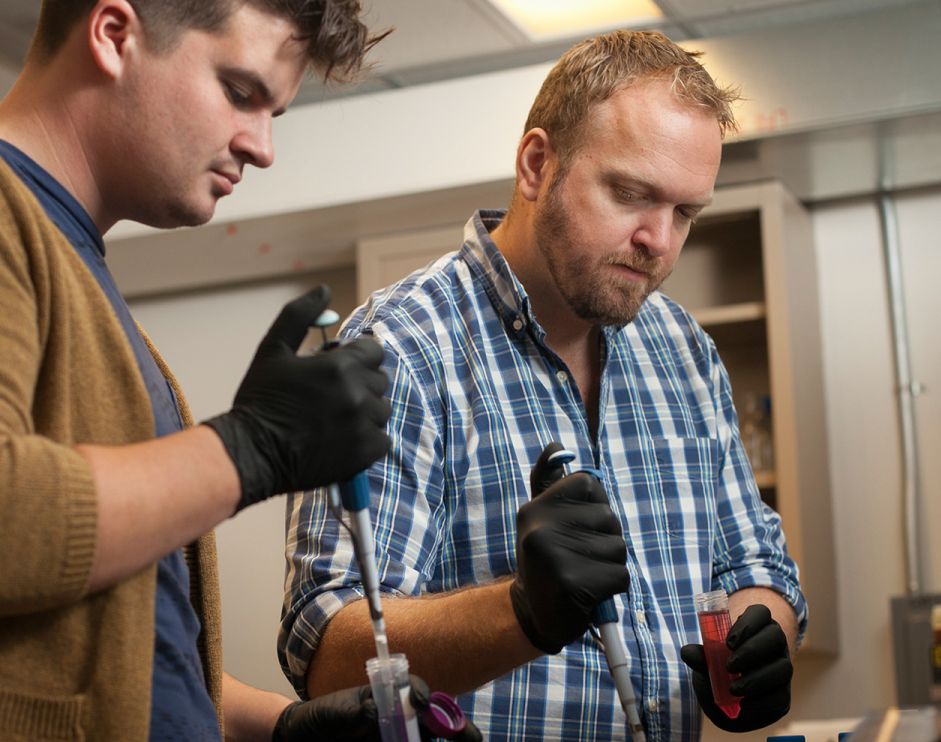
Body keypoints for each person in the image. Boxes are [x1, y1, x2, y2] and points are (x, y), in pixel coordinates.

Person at [0, 1, 481, 741]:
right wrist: (248, 450)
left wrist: (276, 725)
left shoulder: (96, 306)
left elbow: (104, 643)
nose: (261, 147)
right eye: (241, 93)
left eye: (272, 114)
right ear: (114, 34)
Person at [281, 30, 806, 741]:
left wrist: (763, 633)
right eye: (630, 193)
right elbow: (325, 650)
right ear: (537, 165)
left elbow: (754, 564)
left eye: (685, 212)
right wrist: (523, 610)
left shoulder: (684, 351)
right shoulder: (400, 348)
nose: (659, 239)